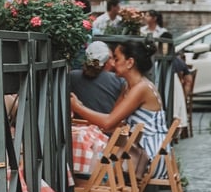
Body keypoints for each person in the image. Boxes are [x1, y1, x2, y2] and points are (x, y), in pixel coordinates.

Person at [70, 39, 169, 177]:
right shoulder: (129, 86)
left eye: (116, 58)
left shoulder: (141, 88)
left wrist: (78, 108)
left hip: (150, 156)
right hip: (137, 153)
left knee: (85, 168)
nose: (111, 63)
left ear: (130, 62)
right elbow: (111, 123)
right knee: (90, 161)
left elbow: (108, 122)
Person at [69, 40, 125, 114]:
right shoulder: (119, 80)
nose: (113, 64)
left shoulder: (72, 76)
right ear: (106, 60)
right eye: (110, 58)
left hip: (78, 124)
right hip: (106, 123)